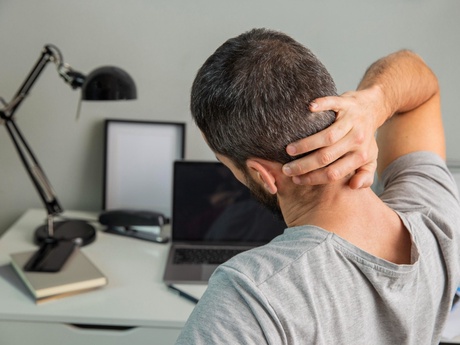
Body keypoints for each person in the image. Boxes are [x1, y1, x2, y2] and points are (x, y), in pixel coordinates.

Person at [175, 28, 460, 344]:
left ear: (261, 174)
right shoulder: (435, 218)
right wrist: (373, 104)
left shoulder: (250, 298)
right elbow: (419, 79)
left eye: (228, 165)